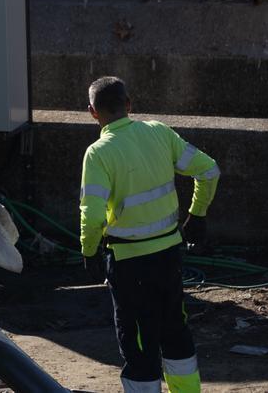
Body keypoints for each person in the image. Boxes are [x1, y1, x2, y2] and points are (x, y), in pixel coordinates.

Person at [79, 76, 220, 393]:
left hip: (129, 263)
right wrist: (197, 215)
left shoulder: (98, 153)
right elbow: (209, 169)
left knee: (139, 341)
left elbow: (92, 215)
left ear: (92, 112)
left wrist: (88, 252)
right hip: (169, 255)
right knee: (175, 330)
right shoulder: (159, 132)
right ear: (129, 104)